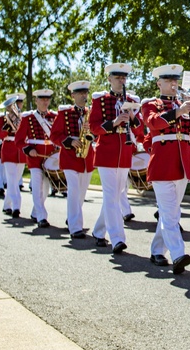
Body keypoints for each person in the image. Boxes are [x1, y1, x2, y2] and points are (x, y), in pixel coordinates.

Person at [141, 64, 190, 273]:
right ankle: (178, 254)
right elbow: (153, 124)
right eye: (168, 81)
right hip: (162, 162)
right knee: (169, 213)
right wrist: (178, 111)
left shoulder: (185, 104)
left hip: (183, 162)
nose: (173, 84)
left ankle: (157, 251)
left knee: (171, 212)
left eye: (175, 80)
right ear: (159, 83)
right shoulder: (151, 103)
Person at [89, 63, 141, 254]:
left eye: (123, 78)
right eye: (117, 77)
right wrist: (114, 122)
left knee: (115, 195)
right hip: (106, 152)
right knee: (112, 195)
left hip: (125, 153)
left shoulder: (132, 100)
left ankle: (98, 231)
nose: (121, 81)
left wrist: (133, 117)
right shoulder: (100, 100)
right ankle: (117, 238)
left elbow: (140, 128)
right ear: (109, 79)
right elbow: (93, 127)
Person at [50, 80, 96, 240]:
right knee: (74, 191)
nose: (84, 96)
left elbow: (97, 131)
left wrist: (91, 131)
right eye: (80, 93)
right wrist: (69, 141)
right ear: (73, 96)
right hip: (70, 157)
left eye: (85, 93)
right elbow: (54, 135)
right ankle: (75, 227)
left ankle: (72, 218)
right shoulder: (64, 113)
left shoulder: (91, 112)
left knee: (81, 194)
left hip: (87, 156)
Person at [14, 89, 58, 228]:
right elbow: (19, 140)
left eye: (47, 99)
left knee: (45, 189)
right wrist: (28, 149)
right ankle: (41, 217)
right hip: (35, 156)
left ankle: (35, 212)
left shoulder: (54, 116)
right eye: (42, 99)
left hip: (50, 157)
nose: (45, 102)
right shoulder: (28, 117)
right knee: (38, 186)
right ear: (36, 101)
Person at [0, 94, 25, 216]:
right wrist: (6, 127)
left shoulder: (23, 117)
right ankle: (16, 207)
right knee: (12, 179)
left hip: (20, 150)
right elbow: (0, 135)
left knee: (14, 180)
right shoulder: (3, 118)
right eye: (13, 104)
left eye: (17, 103)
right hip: (9, 149)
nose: (14, 106)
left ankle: (6, 205)